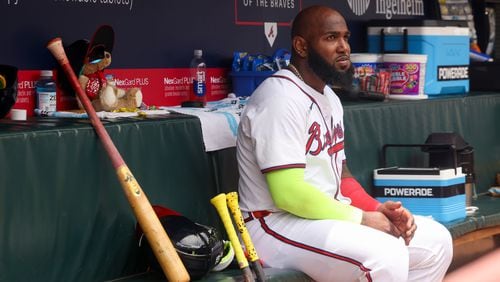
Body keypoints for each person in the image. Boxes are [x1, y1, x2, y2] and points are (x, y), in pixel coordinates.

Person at [236, 5, 453, 282]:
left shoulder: (330, 98)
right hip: (273, 224)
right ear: (301, 46)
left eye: (345, 37)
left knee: (436, 242)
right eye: (330, 38)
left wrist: (376, 209)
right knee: (385, 254)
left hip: (322, 216)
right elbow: (287, 194)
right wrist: (362, 219)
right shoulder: (279, 98)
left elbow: (341, 175)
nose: (343, 47)